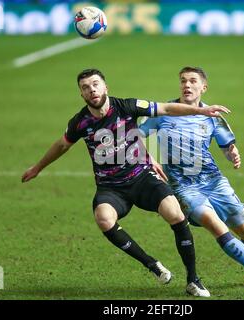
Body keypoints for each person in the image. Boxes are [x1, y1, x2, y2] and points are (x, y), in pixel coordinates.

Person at [21, 68, 231, 297]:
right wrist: (37, 168)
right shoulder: (79, 122)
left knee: (175, 213)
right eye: (85, 87)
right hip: (111, 187)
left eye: (95, 84)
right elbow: (62, 145)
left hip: (142, 178)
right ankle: (152, 264)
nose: (92, 90)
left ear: (105, 87)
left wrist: (202, 110)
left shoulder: (127, 106)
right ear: (81, 94)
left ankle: (193, 280)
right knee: (103, 218)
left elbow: (166, 108)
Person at [139, 66, 244, 291]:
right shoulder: (164, 112)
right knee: (217, 227)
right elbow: (134, 136)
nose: (187, 85)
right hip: (184, 188)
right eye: (183, 81)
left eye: (193, 81)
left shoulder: (212, 116)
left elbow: (226, 145)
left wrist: (232, 153)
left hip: (214, 181)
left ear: (203, 87)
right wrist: (147, 159)